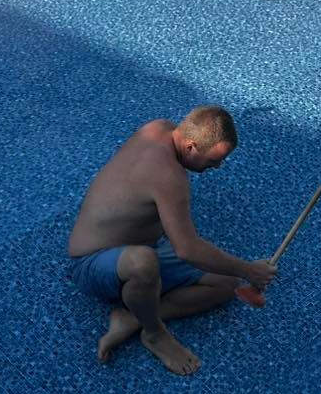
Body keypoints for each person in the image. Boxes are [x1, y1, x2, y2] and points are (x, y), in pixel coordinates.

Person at [67, 105, 277, 376]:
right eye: (213, 161)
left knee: (226, 284)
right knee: (143, 263)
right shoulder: (170, 178)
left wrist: (238, 272)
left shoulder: (159, 127)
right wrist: (250, 270)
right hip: (91, 263)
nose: (217, 166)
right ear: (190, 147)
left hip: (144, 246)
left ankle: (132, 317)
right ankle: (154, 333)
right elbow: (187, 249)